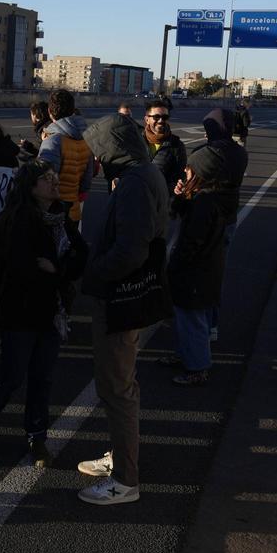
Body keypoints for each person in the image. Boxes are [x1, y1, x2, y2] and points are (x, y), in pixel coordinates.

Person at [77, 113, 170, 505]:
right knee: (122, 383)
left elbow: (130, 250)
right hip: (132, 295)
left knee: (116, 388)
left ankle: (125, 480)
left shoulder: (133, 184)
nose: (98, 161)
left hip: (120, 297)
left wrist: (93, 273)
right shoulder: (145, 173)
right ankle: (120, 455)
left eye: (100, 151)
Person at [0, 160, 86, 466]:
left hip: (50, 312)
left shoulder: (61, 217)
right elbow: (22, 270)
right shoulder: (17, 220)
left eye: (55, 176)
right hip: (19, 311)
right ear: (31, 187)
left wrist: (57, 270)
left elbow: (80, 257)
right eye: (47, 179)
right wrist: (57, 270)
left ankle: (37, 437)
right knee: (11, 376)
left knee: (42, 377)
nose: (55, 182)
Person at [165, 157, 231, 386]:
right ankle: (187, 355)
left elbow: (191, 241)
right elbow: (177, 213)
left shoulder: (204, 203)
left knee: (192, 320)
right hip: (203, 271)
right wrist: (181, 197)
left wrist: (174, 266)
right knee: (189, 319)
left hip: (196, 273)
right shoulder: (206, 197)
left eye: (189, 168)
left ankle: (197, 367)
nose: (185, 170)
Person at [187, 108, 248, 342]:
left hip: (205, 220)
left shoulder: (203, 154)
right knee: (217, 273)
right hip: (229, 218)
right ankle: (212, 323)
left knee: (197, 275)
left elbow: (191, 181)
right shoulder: (240, 154)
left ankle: (200, 327)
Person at [39, 89, 94, 222]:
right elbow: (86, 183)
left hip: (53, 214)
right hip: (73, 212)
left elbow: (43, 183)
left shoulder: (53, 141)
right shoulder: (86, 140)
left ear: (50, 112)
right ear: (73, 109)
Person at [140, 100, 187, 196]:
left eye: (164, 117)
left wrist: (174, 189)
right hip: (138, 200)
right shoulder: (136, 142)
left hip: (162, 203)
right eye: (156, 117)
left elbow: (180, 178)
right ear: (147, 119)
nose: (161, 120)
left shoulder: (177, 145)